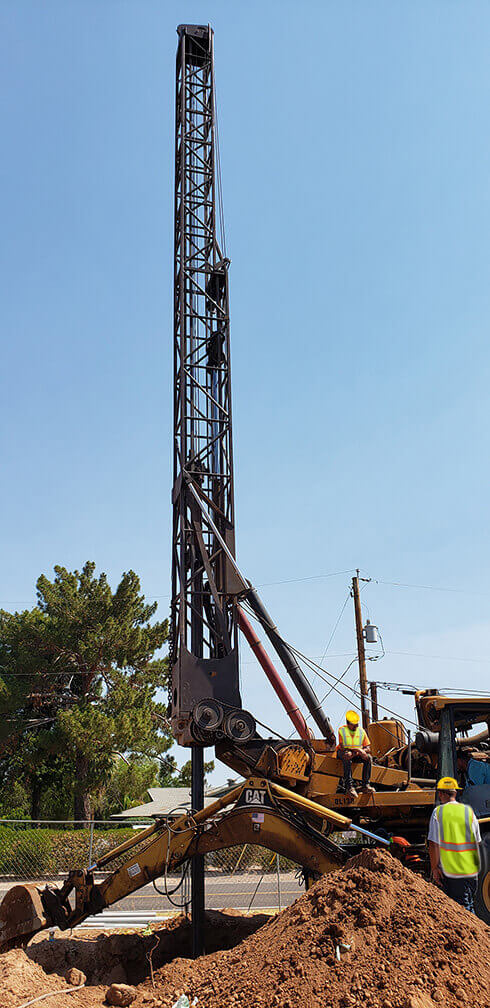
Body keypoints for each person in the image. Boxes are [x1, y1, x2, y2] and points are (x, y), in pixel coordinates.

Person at [428, 776, 481, 914]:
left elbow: (433, 844)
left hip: (455, 871)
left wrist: (434, 868)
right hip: (471, 871)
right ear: (455, 793)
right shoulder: (469, 812)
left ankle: (475, 936)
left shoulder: (438, 812)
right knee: (468, 905)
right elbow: (477, 842)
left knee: (463, 911)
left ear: (441, 794)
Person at [337, 710, 374, 799]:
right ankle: (349, 787)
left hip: (354, 753)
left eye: (357, 723)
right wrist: (358, 750)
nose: (357, 726)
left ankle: (365, 785)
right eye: (354, 724)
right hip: (343, 752)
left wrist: (361, 752)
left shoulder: (361, 731)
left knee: (368, 757)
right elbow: (343, 746)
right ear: (348, 724)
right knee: (347, 756)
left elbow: (368, 748)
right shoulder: (342, 730)